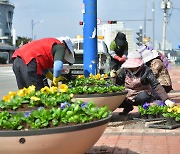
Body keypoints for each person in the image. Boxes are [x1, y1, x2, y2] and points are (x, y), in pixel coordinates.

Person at [111, 51, 175, 115]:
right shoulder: (124, 71)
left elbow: (156, 85)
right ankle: (128, 107)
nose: (132, 68)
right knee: (117, 100)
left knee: (144, 96)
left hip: (140, 95)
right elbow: (117, 84)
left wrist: (166, 99)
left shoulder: (146, 71)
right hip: (127, 95)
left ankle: (144, 110)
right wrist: (114, 78)